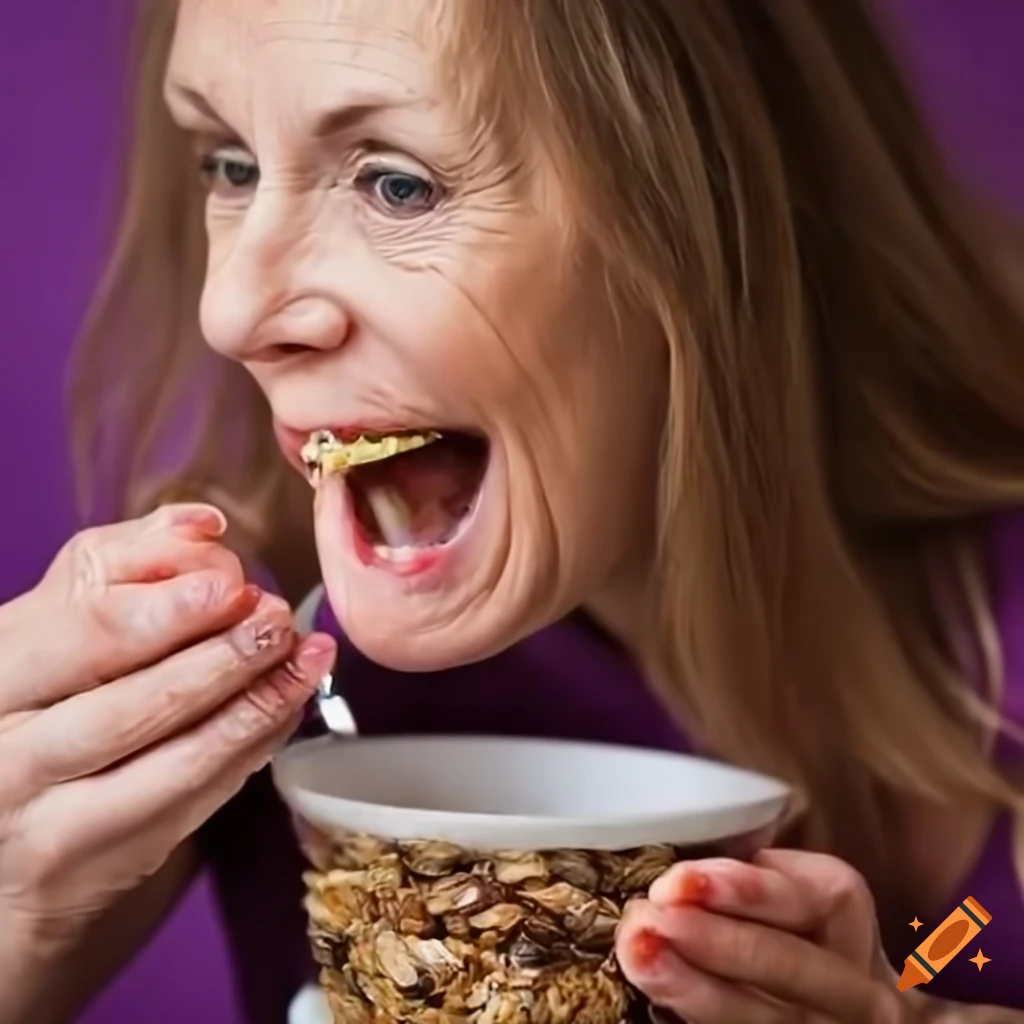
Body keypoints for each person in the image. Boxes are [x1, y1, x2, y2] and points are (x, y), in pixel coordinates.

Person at [3, 0, 1024, 1021]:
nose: (230, 310)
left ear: (710, 216)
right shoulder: (270, 684)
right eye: (229, 164)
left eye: (396, 183)